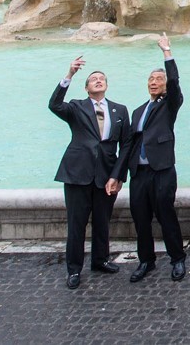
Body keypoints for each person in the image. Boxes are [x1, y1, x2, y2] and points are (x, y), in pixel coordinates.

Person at [48, 57, 132, 289]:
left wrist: (118, 176)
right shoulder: (76, 106)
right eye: (93, 79)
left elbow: (126, 146)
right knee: (76, 223)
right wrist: (69, 75)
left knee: (103, 221)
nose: (98, 81)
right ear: (86, 88)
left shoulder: (120, 110)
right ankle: (74, 269)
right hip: (77, 173)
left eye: (101, 78)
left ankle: (100, 260)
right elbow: (54, 105)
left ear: (106, 85)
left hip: (106, 174)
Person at [125, 34, 186, 283]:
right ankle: (146, 261)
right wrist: (117, 176)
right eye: (150, 79)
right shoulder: (139, 110)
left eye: (158, 79)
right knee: (140, 218)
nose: (154, 82)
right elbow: (130, 143)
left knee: (165, 214)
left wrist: (167, 52)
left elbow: (174, 82)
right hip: (139, 172)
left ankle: (177, 259)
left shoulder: (170, 104)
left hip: (161, 169)